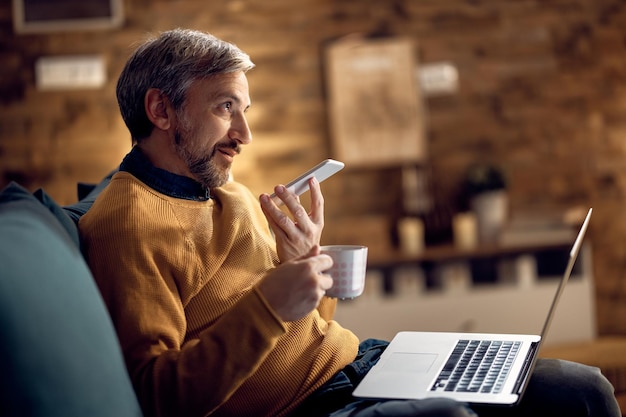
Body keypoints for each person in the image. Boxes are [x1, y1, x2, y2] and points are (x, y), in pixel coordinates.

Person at [78, 28, 621, 417]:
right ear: (161, 110)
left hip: (362, 364)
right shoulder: (126, 225)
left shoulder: (232, 196)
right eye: (225, 108)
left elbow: (306, 325)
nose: (244, 134)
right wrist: (270, 302)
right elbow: (157, 397)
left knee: (585, 389)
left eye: (245, 110)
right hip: (310, 406)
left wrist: (307, 266)